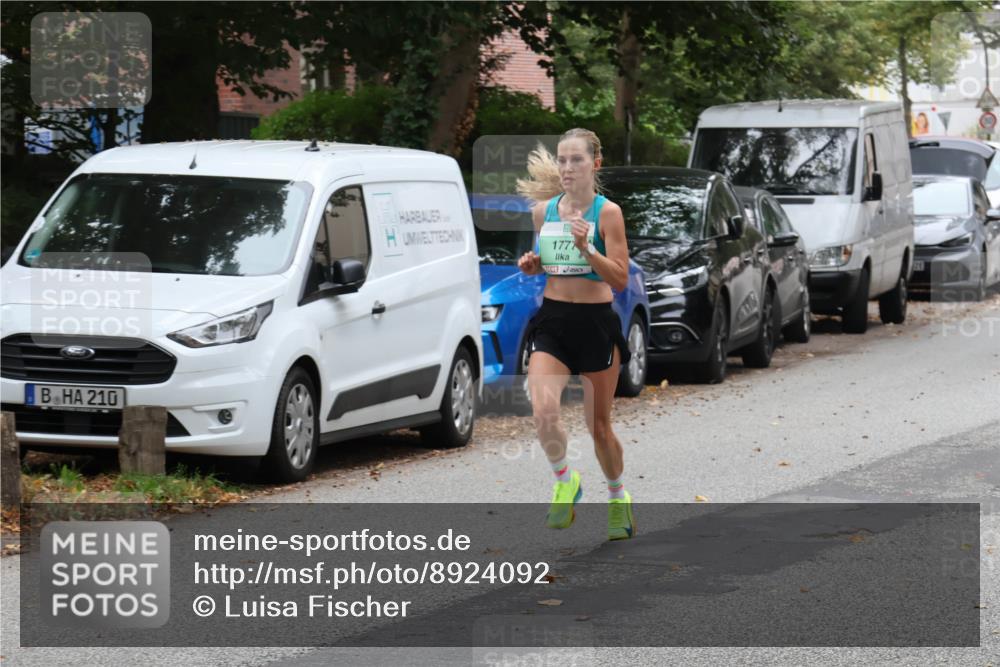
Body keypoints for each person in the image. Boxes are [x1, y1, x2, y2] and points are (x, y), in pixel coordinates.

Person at [515, 128, 636, 540]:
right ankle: (565, 479)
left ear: (595, 164)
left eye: (576, 160)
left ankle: (618, 497)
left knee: (599, 428)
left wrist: (589, 250)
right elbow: (551, 265)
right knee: (543, 410)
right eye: (562, 160)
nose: (567, 168)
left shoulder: (608, 214)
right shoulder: (543, 212)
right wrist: (533, 264)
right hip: (552, 321)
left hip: (596, 324)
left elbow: (619, 279)